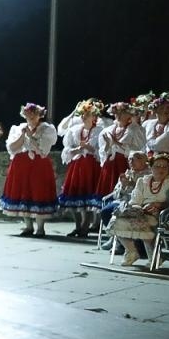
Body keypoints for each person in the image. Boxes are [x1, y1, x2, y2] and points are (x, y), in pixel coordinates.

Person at [110, 153, 169, 267]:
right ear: (151, 167)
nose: (161, 169)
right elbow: (135, 200)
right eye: (157, 166)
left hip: (161, 214)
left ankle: (154, 256)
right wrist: (139, 208)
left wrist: (159, 204)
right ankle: (131, 251)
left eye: (164, 166)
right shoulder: (143, 181)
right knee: (117, 220)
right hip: (141, 211)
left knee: (144, 222)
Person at [1, 103, 60, 236]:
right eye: (28, 114)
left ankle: (40, 228)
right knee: (23, 192)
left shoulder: (46, 129)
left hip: (39, 164)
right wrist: (23, 135)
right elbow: (12, 148)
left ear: (39, 115)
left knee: (39, 192)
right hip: (21, 164)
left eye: (34, 114)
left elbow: (42, 150)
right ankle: (28, 226)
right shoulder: (18, 128)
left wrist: (30, 136)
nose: (31, 117)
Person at [58, 98, 106, 238]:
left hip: (91, 166)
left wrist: (89, 148)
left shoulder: (99, 131)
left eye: (88, 114)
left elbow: (101, 150)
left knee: (88, 196)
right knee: (74, 195)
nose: (84, 116)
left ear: (94, 116)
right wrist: (77, 149)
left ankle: (85, 226)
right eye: (83, 114)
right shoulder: (74, 130)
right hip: (77, 165)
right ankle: (78, 226)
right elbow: (67, 149)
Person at [97, 102, 147, 198]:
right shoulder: (108, 130)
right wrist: (108, 145)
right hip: (110, 164)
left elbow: (137, 150)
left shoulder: (135, 130)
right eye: (117, 113)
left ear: (129, 114)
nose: (119, 116)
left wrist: (117, 143)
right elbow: (104, 151)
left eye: (122, 113)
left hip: (125, 163)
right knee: (107, 190)